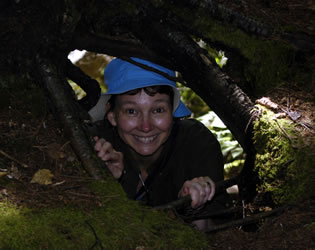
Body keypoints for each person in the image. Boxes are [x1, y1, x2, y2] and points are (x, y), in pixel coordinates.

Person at [89, 57, 230, 230]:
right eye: (131, 111)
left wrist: (194, 206)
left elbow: (219, 234)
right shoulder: (96, 144)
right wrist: (107, 182)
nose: (146, 126)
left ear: (172, 112)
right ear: (112, 116)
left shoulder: (195, 143)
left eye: (158, 110)